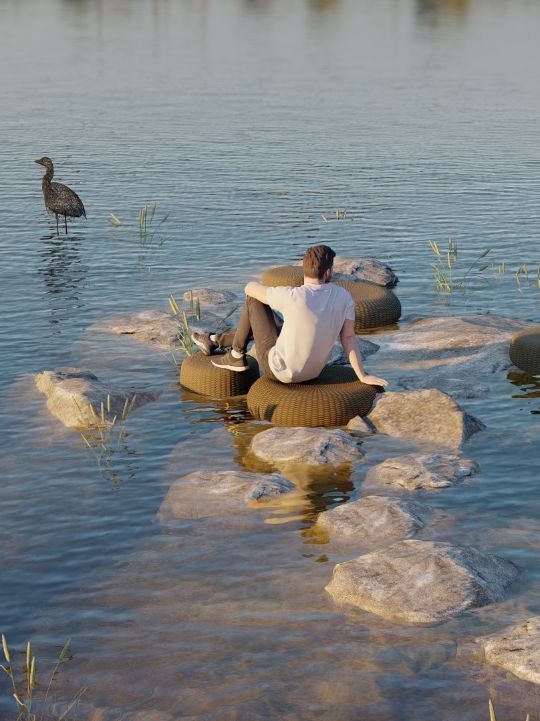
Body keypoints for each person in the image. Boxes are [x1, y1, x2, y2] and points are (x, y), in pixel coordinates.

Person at [191, 244, 388, 388]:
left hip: (280, 372)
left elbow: (249, 289)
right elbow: (348, 338)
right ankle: (215, 340)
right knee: (279, 324)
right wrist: (361, 375)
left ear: (303, 269)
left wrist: (263, 286)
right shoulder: (344, 296)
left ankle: (235, 356)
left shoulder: (293, 296)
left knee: (254, 301)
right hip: (313, 373)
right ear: (328, 272)